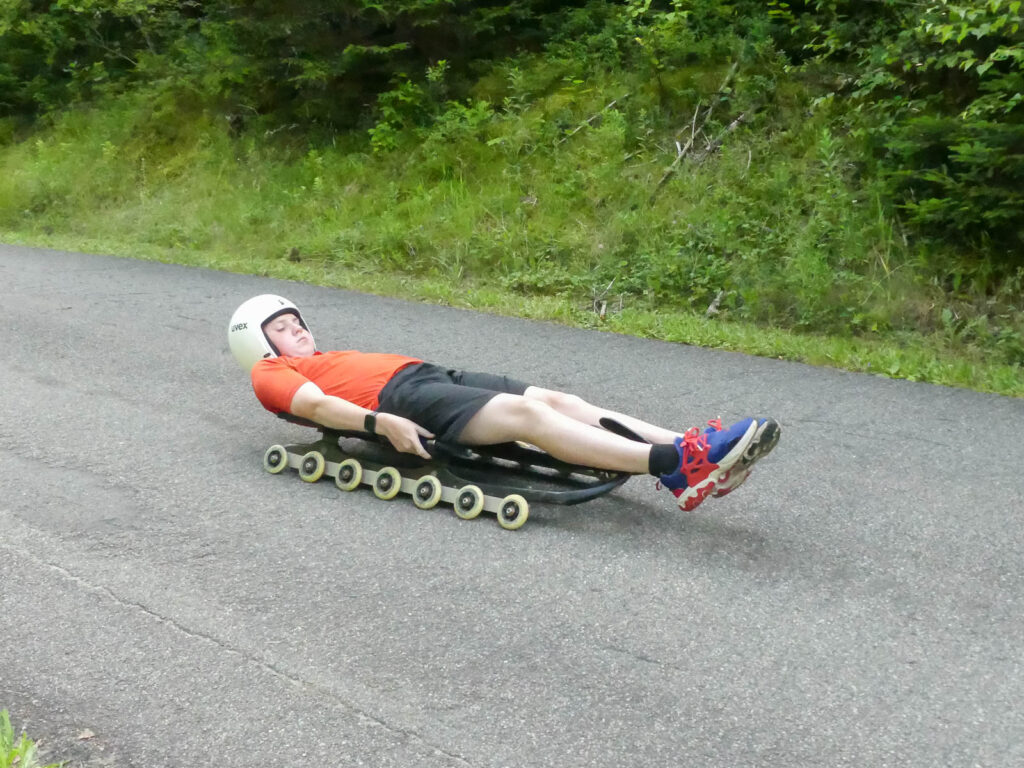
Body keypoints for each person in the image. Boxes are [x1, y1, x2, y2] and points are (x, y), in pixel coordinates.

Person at [228, 294, 780, 511]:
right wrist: (379, 421)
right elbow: (320, 409)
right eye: (281, 326)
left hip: (427, 374)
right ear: (257, 341)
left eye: (297, 320)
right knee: (528, 418)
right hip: (401, 397)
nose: (296, 329)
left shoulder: (319, 353)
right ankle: (677, 468)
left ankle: (691, 444)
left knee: (557, 398)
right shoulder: (269, 372)